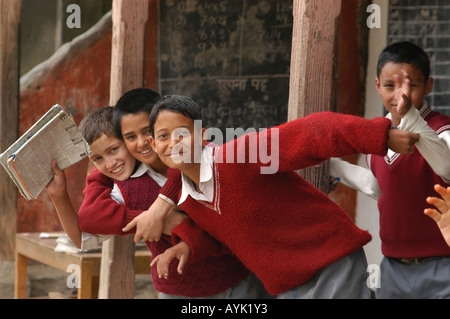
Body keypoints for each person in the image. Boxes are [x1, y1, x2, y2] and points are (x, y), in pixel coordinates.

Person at [135, 94, 418, 299]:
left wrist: (381, 136)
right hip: (285, 284)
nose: (173, 142)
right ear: (153, 144)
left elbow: (314, 132)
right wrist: (188, 246)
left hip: (330, 259)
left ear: (203, 135)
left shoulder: (239, 155)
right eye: (163, 136)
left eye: (182, 133)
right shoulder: (187, 197)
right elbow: (226, 237)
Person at [76, 91, 264, 299]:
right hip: (177, 289)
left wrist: (159, 210)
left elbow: (232, 225)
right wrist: (154, 220)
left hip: (234, 282)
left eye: (149, 131)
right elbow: (88, 218)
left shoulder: (205, 157)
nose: (142, 142)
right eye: (130, 137)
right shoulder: (129, 184)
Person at [329, 41, 450, 299]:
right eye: (390, 86)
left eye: (411, 86)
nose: (400, 96)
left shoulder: (442, 129)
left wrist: (412, 118)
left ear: (428, 86)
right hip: (392, 268)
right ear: (377, 85)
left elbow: (446, 165)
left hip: (443, 267)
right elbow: (376, 187)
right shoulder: (376, 137)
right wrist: (333, 167)